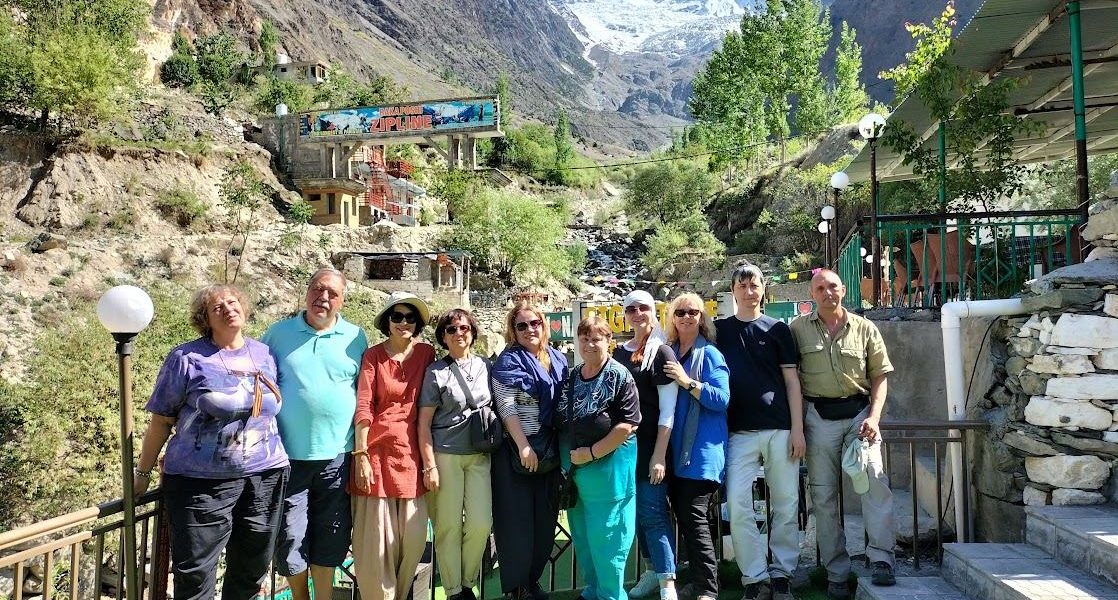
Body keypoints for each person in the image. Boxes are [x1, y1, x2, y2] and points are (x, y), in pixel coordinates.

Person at [134, 284, 289, 600]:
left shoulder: (264, 353)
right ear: (205, 319)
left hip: (265, 476)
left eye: (233, 302)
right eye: (217, 307)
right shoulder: (187, 357)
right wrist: (142, 472)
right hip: (200, 484)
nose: (228, 308)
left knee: (251, 572)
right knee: (195, 577)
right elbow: (162, 420)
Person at [262, 268, 368, 600]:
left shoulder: (355, 337)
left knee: (332, 535)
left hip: (338, 455)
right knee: (290, 536)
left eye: (332, 293)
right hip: (288, 456)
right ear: (307, 291)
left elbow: (364, 392)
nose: (323, 297)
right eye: (317, 289)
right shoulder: (278, 334)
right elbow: (257, 387)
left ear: (342, 300)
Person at [790, 269, 896, 600]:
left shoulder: (865, 328)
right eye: (820, 288)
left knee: (874, 482)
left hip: (859, 416)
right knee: (822, 496)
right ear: (812, 294)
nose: (827, 292)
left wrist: (875, 417)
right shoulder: (797, 330)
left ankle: (881, 559)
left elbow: (880, 376)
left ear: (843, 290)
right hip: (818, 418)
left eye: (832, 286)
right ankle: (836, 570)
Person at [714, 264, 805, 600]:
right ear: (733, 290)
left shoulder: (779, 329)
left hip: (780, 428)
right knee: (737, 504)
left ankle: (782, 574)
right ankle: (755, 578)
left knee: (785, 502)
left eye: (754, 285)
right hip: (738, 432)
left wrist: (798, 429)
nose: (749, 291)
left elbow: (792, 381)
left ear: (763, 289)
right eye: (743, 285)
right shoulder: (719, 331)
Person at [350, 292, 436, 600]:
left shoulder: (427, 354)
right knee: (376, 545)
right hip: (376, 454)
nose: (403, 322)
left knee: (412, 541)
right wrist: (360, 455)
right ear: (387, 321)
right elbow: (364, 406)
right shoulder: (374, 356)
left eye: (409, 317)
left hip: (412, 455)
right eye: (396, 316)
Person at [558, 315, 641, 600]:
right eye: (584, 339)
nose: (590, 344)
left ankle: (611, 596)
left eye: (597, 339)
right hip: (577, 475)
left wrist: (591, 453)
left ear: (610, 342)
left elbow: (627, 424)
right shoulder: (572, 376)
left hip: (609, 471)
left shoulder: (620, 375)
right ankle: (592, 591)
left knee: (608, 539)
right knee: (582, 538)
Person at [490, 301, 569, 600]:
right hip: (516, 453)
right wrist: (523, 445)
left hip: (549, 451)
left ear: (543, 325)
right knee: (516, 523)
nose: (529, 329)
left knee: (545, 522)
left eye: (534, 323)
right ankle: (517, 587)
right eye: (521, 325)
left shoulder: (558, 360)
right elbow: (506, 406)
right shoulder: (508, 362)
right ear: (513, 330)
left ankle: (533, 581)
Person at [418, 309, 494, 600]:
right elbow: (423, 423)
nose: (458, 333)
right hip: (445, 455)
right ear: (443, 337)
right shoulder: (436, 372)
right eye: (451, 329)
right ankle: (455, 591)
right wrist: (429, 466)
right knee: (448, 526)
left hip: (479, 455)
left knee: (480, 523)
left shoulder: (487, 367)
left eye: (463, 327)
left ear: (473, 331)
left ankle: (466, 580)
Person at [663, 293, 730, 600]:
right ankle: (698, 579)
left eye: (693, 312)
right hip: (674, 454)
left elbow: (721, 399)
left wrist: (686, 381)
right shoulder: (671, 352)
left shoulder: (711, 355)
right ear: (672, 318)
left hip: (701, 455)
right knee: (686, 521)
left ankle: (708, 588)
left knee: (694, 518)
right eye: (681, 312)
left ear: (702, 318)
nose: (687, 316)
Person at [613, 291, 679, 600]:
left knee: (653, 513)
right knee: (636, 514)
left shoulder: (662, 352)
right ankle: (652, 570)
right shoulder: (617, 353)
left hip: (652, 446)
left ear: (654, 311)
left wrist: (658, 456)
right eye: (631, 308)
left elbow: (668, 411)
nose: (637, 313)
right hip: (622, 450)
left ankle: (668, 582)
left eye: (644, 307)